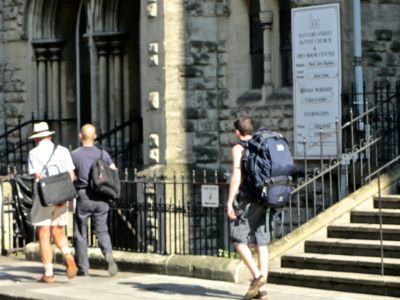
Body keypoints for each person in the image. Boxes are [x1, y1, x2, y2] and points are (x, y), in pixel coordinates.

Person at [28, 122, 77, 284]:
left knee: (43, 232)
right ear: (49, 136)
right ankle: (67, 255)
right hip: (62, 196)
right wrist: (62, 196)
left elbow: (37, 175)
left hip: (44, 198)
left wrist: (50, 195)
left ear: (36, 139)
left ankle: (48, 274)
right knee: (58, 231)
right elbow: (71, 175)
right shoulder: (63, 150)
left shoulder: (34, 153)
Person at [226, 117, 269, 300]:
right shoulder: (262, 145)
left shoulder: (238, 148)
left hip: (248, 198)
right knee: (261, 241)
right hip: (266, 197)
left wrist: (229, 201)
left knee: (238, 239)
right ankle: (262, 291)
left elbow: (237, 175)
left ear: (237, 132)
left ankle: (258, 277)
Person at [71, 123, 118, 277]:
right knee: (102, 230)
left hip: (84, 195)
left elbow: (71, 176)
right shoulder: (103, 154)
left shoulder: (75, 154)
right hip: (101, 197)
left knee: (80, 232)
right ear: (95, 136)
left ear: (80, 136)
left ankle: (83, 268)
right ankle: (109, 257)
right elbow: (114, 170)